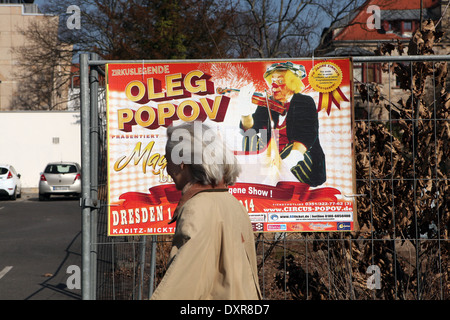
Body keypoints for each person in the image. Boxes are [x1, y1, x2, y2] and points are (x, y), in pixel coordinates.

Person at [150, 121, 262, 300]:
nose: (166, 168)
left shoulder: (197, 208)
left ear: (181, 162)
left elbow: (183, 286)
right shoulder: (233, 203)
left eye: (167, 159)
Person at [238, 61, 326, 187]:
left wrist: (287, 161)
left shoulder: (304, 102)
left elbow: (306, 138)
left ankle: (285, 184)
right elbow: (250, 129)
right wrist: (245, 114)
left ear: (292, 83)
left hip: (297, 158)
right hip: (271, 159)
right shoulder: (267, 104)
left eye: (280, 81)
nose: (274, 86)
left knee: (292, 152)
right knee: (249, 137)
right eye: (272, 81)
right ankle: (254, 178)